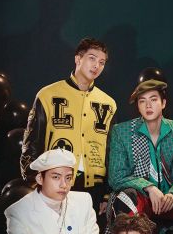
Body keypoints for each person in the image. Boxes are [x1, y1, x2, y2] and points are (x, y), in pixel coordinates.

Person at [20, 37, 117, 217]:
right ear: (78, 59)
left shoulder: (109, 104)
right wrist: (34, 182)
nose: (96, 65)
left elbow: (111, 152)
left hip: (94, 188)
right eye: (92, 58)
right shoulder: (47, 95)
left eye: (102, 62)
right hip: (56, 183)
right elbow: (32, 143)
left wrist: (107, 193)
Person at [105, 79, 173, 234]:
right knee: (126, 197)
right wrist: (149, 188)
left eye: (153, 99)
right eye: (142, 101)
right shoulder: (122, 132)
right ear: (138, 106)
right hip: (143, 200)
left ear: (163, 103)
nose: (148, 105)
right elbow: (116, 176)